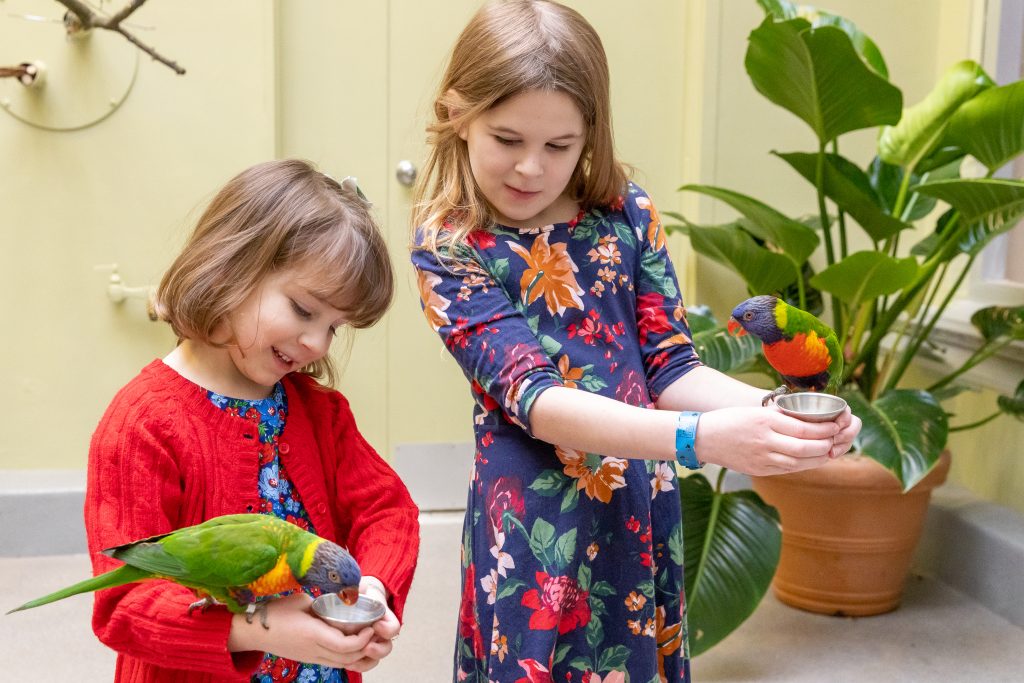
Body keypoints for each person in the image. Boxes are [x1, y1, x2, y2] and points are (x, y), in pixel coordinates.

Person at [409, 2, 862, 681]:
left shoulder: (625, 213)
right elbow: (537, 400)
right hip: (535, 527)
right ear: (456, 112)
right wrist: (698, 439)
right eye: (507, 139)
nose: (531, 168)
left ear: (590, 134)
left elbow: (671, 364)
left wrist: (777, 416)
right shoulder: (450, 247)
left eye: (559, 146)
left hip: (637, 509)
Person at [85, 159, 420, 683]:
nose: (316, 344)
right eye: (305, 311)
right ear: (231, 269)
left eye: (335, 328)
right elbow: (124, 606)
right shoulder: (143, 424)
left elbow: (387, 510)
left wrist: (371, 588)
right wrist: (256, 630)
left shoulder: (319, 412)